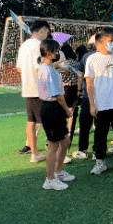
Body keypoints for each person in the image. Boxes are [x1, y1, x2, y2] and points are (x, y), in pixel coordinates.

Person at [86, 27, 113, 176]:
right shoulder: (92, 59)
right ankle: (100, 162)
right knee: (100, 136)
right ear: (101, 41)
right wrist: (92, 104)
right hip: (101, 105)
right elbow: (89, 84)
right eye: (110, 41)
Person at [37, 39, 74, 190]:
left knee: (65, 141)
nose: (57, 53)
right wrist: (66, 110)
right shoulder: (46, 70)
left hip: (54, 107)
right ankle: (50, 179)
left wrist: (58, 64)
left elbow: (56, 68)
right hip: (52, 107)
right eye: (55, 51)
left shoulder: (47, 67)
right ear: (48, 53)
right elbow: (58, 95)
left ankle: (58, 171)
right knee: (53, 145)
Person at [17, 20, 52, 161]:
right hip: (39, 90)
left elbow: (19, 68)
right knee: (48, 121)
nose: (47, 34)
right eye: (47, 31)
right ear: (42, 30)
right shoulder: (39, 46)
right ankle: (54, 152)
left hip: (27, 89)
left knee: (31, 121)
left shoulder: (24, 45)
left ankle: (34, 153)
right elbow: (39, 69)